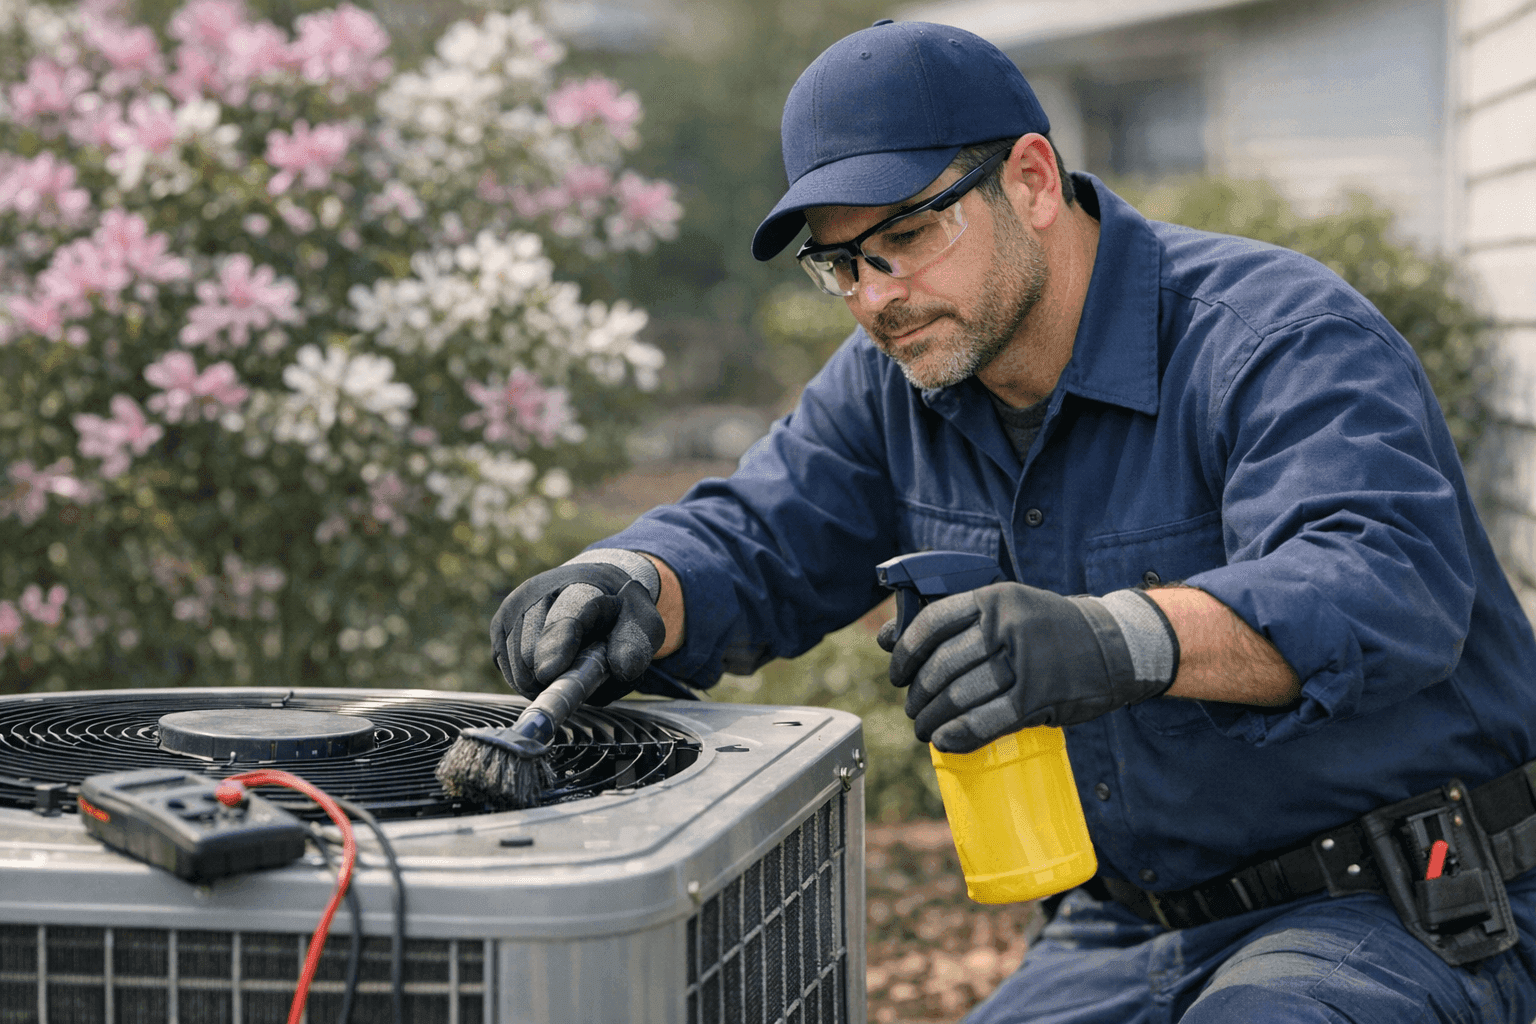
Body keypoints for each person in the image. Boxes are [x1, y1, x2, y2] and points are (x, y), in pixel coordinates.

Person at [489, 18, 1536, 1023]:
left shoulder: (1274, 337)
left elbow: (1382, 584)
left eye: (905, 233)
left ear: (1031, 180)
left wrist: (1115, 637)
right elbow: (756, 535)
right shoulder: (894, 380)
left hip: (1396, 908)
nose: (874, 296)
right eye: (841, 262)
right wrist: (631, 580)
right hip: (1126, 931)